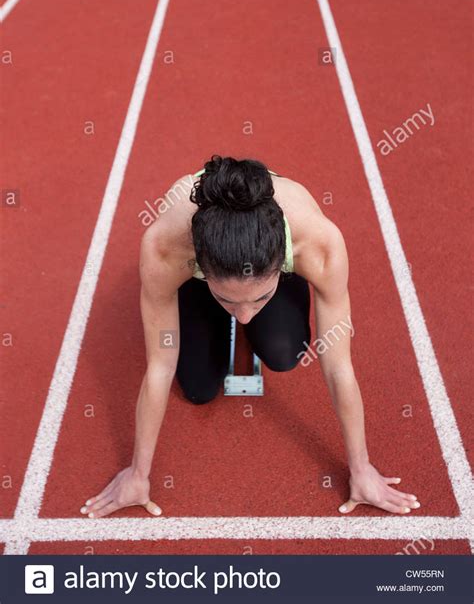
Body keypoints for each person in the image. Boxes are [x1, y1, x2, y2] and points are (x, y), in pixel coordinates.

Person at [80, 155, 420, 519]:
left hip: (252, 266)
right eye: (229, 301)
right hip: (200, 278)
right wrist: (138, 473)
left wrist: (361, 467)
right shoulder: (165, 249)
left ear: (283, 266)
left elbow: (338, 367)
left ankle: (248, 296)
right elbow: (160, 365)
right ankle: (229, 297)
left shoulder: (319, 245)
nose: (243, 315)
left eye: (258, 298)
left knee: (284, 352)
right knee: (198, 389)